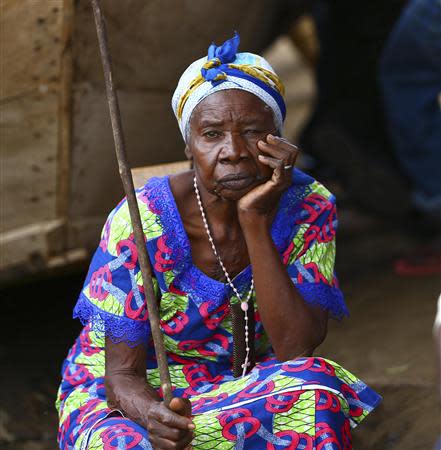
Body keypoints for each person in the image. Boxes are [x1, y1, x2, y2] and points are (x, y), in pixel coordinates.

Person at [56, 33, 380, 449]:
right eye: (211, 134)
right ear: (188, 145)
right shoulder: (141, 221)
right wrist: (154, 417)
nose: (233, 152)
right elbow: (121, 377)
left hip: (240, 384)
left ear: (280, 139)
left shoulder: (308, 208)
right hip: (137, 399)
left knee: (316, 391)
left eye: (252, 132)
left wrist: (254, 221)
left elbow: (296, 349)